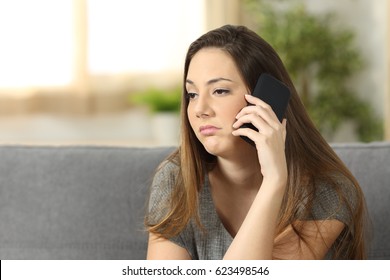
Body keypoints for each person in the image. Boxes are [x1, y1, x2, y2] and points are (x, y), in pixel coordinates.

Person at [145, 25, 368, 260]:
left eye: (220, 91)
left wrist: (273, 181)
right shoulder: (176, 178)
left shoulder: (327, 190)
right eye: (192, 94)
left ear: (265, 100)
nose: (199, 110)